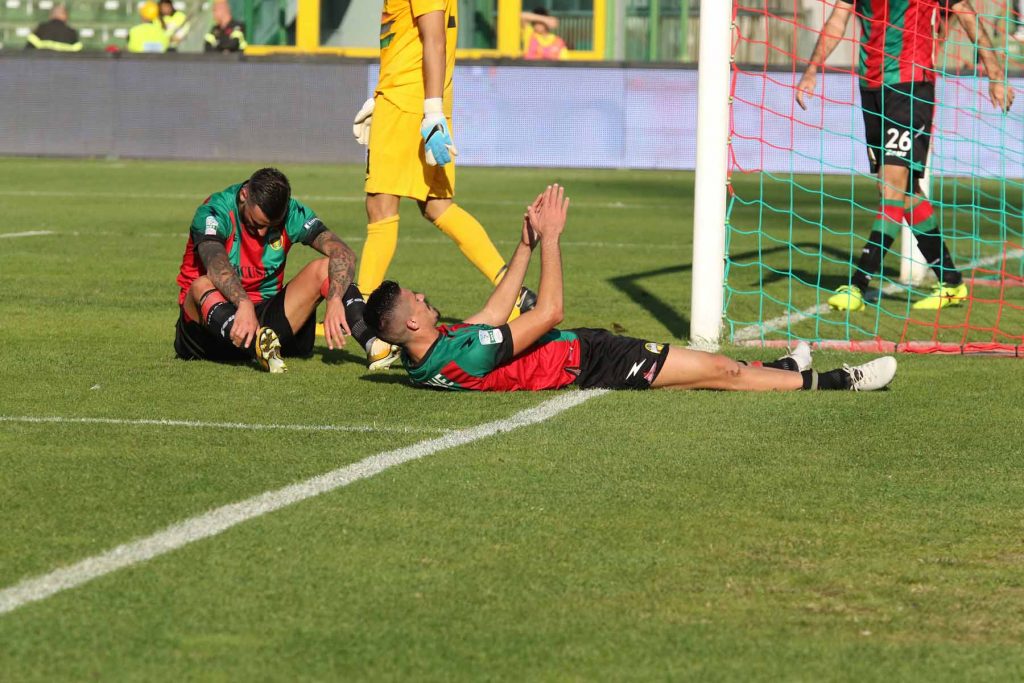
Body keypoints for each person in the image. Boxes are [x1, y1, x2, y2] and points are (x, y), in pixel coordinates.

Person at [354, 185, 898, 393]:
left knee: (698, 373)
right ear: (411, 324)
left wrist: (522, 244)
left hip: (582, 355)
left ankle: (783, 368)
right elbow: (547, 313)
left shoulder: (422, 358)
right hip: (592, 361)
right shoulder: (464, 356)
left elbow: (496, 311)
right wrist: (552, 241)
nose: (426, 299)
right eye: (418, 302)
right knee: (719, 373)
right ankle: (834, 382)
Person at [350, 0, 536, 372]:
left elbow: (434, 40)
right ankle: (513, 293)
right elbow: (412, 40)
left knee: (381, 209)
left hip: (408, 105)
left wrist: (430, 111)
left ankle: (370, 327)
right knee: (436, 205)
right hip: (408, 99)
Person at [796, 0, 1014, 312]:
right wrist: (811, 69)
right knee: (906, 192)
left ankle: (857, 285)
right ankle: (951, 282)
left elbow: (966, 13)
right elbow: (837, 20)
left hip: (911, 83)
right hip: (871, 86)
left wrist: (995, 73)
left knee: (892, 186)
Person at [175, 168, 358, 373]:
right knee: (201, 284)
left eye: (271, 226)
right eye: (256, 224)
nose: (262, 232)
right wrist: (243, 303)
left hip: (265, 323)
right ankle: (257, 346)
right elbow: (216, 264)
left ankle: (374, 344)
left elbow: (344, 253)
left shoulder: (292, 212)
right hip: (207, 329)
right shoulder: (215, 211)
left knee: (326, 268)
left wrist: (334, 299)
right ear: (245, 195)